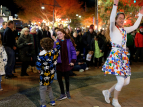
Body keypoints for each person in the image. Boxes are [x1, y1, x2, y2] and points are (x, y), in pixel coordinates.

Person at [102, 0, 143, 107]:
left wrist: (141, 15)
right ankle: (115, 100)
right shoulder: (113, 29)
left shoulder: (124, 30)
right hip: (116, 56)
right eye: (119, 18)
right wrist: (115, 5)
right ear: (115, 20)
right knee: (121, 81)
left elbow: (135, 27)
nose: (121, 20)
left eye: (122, 18)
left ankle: (108, 91)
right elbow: (111, 19)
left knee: (127, 81)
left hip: (124, 57)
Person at [36, 37, 61, 107]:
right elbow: (59, 47)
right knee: (49, 86)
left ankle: (43, 103)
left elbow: (38, 65)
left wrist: (38, 69)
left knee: (42, 89)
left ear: (42, 46)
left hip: (44, 73)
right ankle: (52, 100)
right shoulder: (54, 51)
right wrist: (56, 40)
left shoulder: (41, 54)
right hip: (52, 72)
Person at [53, 29, 76, 101]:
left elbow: (73, 51)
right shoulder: (56, 42)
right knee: (59, 79)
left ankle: (67, 91)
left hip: (66, 63)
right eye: (58, 34)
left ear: (64, 34)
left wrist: (73, 61)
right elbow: (54, 51)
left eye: (60, 33)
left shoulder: (69, 41)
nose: (59, 35)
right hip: (59, 63)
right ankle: (62, 93)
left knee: (67, 79)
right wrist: (55, 42)